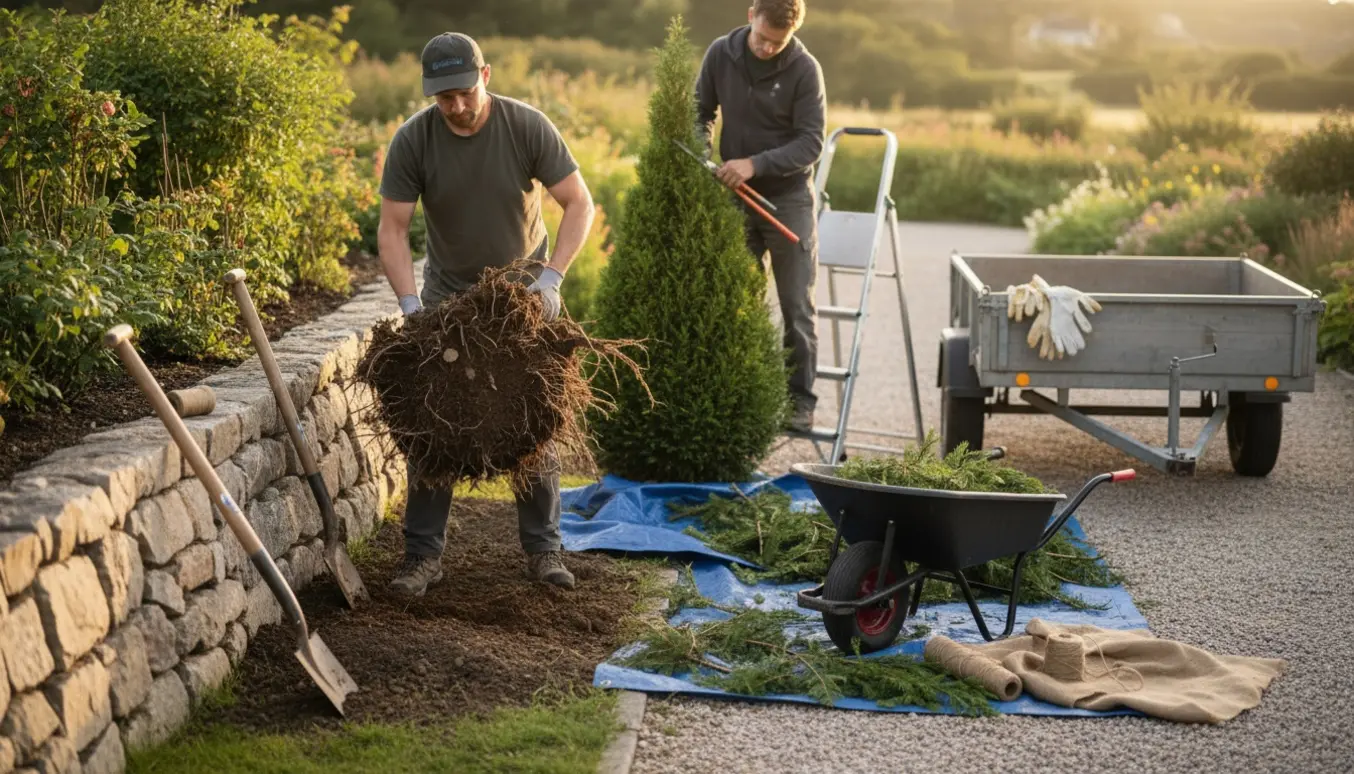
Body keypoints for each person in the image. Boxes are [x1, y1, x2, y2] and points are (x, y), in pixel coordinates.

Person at [375, 31, 596, 597]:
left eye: (465, 93)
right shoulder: (414, 140)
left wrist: (551, 279)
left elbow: (578, 201)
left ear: (486, 77)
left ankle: (544, 552)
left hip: (524, 300)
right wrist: (409, 307)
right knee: (434, 423)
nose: (456, 106)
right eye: (443, 97)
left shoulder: (526, 127)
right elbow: (394, 229)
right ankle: (422, 558)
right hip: (449, 301)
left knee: (535, 421)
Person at [695, 0, 827, 433]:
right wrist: (702, 151)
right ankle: (742, 392)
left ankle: (800, 402)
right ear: (751, 15)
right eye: (762, 38)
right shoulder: (720, 53)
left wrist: (755, 163)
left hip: (788, 198)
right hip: (735, 197)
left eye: (778, 42)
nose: (768, 48)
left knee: (795, 304)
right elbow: (700, 112)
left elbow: (811, 143)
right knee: (737, 302)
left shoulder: (806, 70)